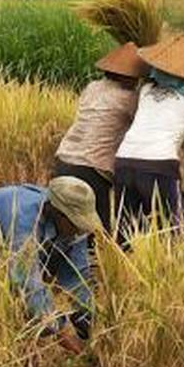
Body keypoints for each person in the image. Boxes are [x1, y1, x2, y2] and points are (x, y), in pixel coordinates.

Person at [0, 176, 101, 355]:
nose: (79, 229)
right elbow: (27, 280)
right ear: (56, 212)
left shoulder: (75, 229)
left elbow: (77, 276)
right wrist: (62, 333)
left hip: (17, 249)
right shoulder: (23, 218)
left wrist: (89, 322)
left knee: (29, 304)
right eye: (75, 223)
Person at [113, 35, 184, 240]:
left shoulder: (145, 90)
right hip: (159, 166)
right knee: (171, 234)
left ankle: (120, 270)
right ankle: (169, 271)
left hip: (124, 161)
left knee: (125, 233)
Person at [52, 42, 148, 233]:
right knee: (96, 230)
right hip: (92, 169)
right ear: (129, 77)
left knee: (63, 227)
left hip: (64, 160)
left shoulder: (92, 87)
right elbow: (144, 124)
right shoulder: (129, 99)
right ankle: (98, 263)